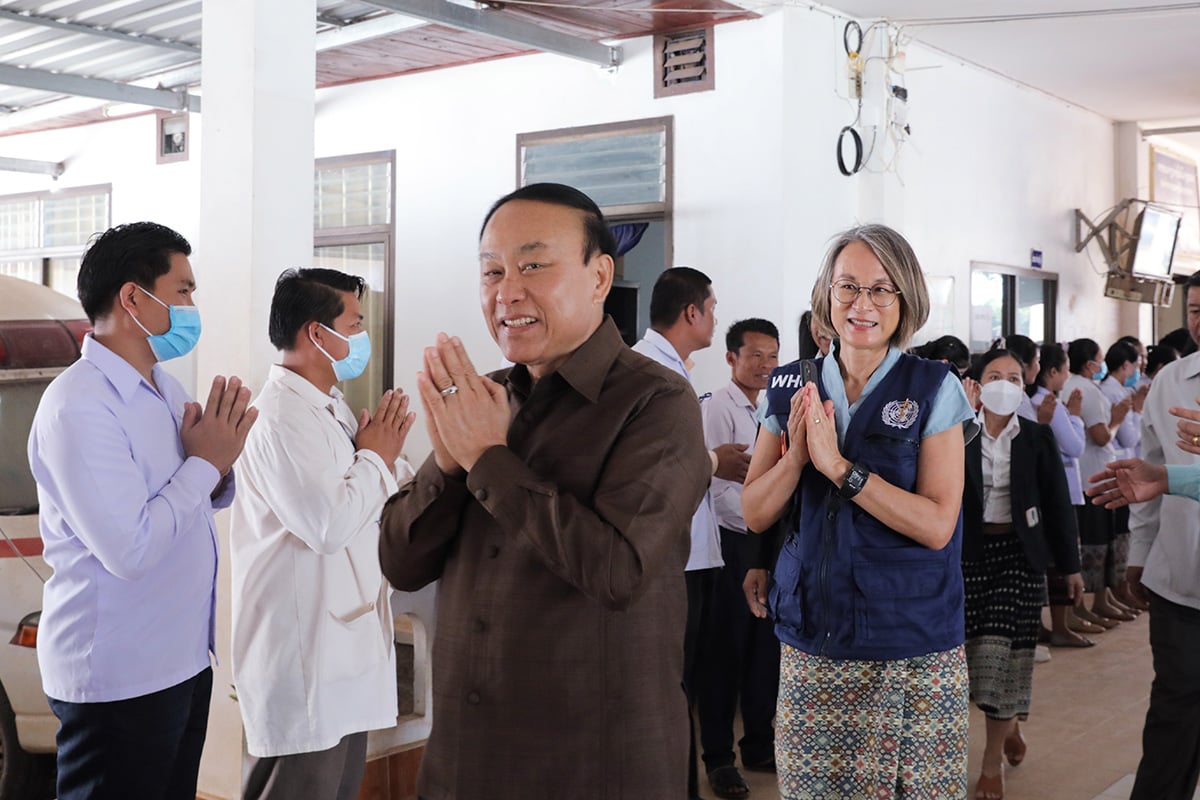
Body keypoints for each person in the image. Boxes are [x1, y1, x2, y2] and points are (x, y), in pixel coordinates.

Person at [376, 183, 711, 799]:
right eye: (492, 271)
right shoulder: (485, 399)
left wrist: (488, 459)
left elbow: (618, 572)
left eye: (533, 266)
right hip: (464, 762)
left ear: (599, 276)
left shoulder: (658, 402)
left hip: (592, 765)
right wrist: (448, 463)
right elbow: (400, 561)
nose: (507, 292)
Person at [742, 224, 975, 799]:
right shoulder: (789, 386)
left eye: (881, 289)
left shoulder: (934, 387)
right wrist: (798, 458)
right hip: (814, 641)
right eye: (847, 286)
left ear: (905, 298)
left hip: (912, 643)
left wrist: (840, 468)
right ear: (826, 294)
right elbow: (754, 512)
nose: (861, 304)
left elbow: (937, 524)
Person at [27, 222, 256, 800]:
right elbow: (130, 549)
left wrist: (217, 465)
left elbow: (194, 493)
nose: (192, 307)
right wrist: (207, 463)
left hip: (180, 658)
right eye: (183, 291)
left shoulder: (164, 388)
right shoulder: (79, 406)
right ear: (133, 297)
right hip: (119, 674)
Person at [230, 268, 416, 800]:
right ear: (317, 332)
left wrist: (387, 462)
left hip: (341, 651)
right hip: (304, 655)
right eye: (354, 325)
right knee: (302, 787)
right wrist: (376, 458)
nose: (362, 337)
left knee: (337, 786)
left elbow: (373, 484)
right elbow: (328, 525)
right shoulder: (279, 416)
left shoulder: (328, 405)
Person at [631, 267, 753, 799]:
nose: (714, 317)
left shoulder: (671, 369)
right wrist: (714, 461)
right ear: (691, 313)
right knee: (671, 683)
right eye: (712, 308)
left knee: (699, 674)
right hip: (671, 560)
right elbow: (650, 467)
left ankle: (698, 774)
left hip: (699, 554)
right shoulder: (647, 371)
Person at [1086, 272, 1200, 800]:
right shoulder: (1171, 382)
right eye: (1195, 310)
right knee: (1174, 714)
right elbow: (1148, 474)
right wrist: (1141, 555)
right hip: (1181, 582)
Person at [962, 348, 1083, 800]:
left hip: (1018, 556)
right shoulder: (957, 433)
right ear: (976, 385)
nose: (1005, 385)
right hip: (967, 557)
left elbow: (1057, 504)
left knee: (1003, 657)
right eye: (994, 376)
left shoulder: (1036, 437)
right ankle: (1009, 723)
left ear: (1024, 385)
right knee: (973, 660)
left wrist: (1070, 567)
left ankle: (991, 762)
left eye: (1014, 377)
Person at [697, 318, 781, 798]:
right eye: (755, 356)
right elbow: (714, 487)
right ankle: (718, 758)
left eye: (772, 356)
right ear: (731, 358)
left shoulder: (774, 406)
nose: (765, 365)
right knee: (724, 653)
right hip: (731, 543)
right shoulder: (716, 407)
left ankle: (759, 744)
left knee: (764, 651)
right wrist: (758, 514)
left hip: (765, 541)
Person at [1029, 343, 1096, 646]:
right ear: (1053, 371)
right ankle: (1060, 625)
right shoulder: (1050, 405)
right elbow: (1075, 447)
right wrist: (1076, 417)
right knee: (1063, 556)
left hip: (1055, 488)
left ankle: (1062, 622)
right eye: (1065, 370)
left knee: (1060, 556)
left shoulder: (1042, 402)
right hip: (1063, 489)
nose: (1068, 376)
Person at [1063, 338, 1132, 627]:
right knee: (1095, 544)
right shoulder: (1086, 390)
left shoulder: (1077, 386)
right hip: (1093, 477)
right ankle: (1085, 605)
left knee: (1102, 542)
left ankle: (1102, 600)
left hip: (1090, 476)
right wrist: (1117, 419)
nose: (1102, 365)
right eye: (1099, 359)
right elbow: (1102, 436)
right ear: (1090, 363)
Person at [1099, 339, 1148, 613]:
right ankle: (1117, 590)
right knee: (1116, 535)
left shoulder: (1120, 389)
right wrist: (1138, 412)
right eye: (1137, 364)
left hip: (1123, 467)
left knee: (1120, 535)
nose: (1139, 370)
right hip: (1117, 468)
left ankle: (1118, 591)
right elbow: (1129, 437)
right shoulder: (1116, 393)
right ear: (1126, 365)